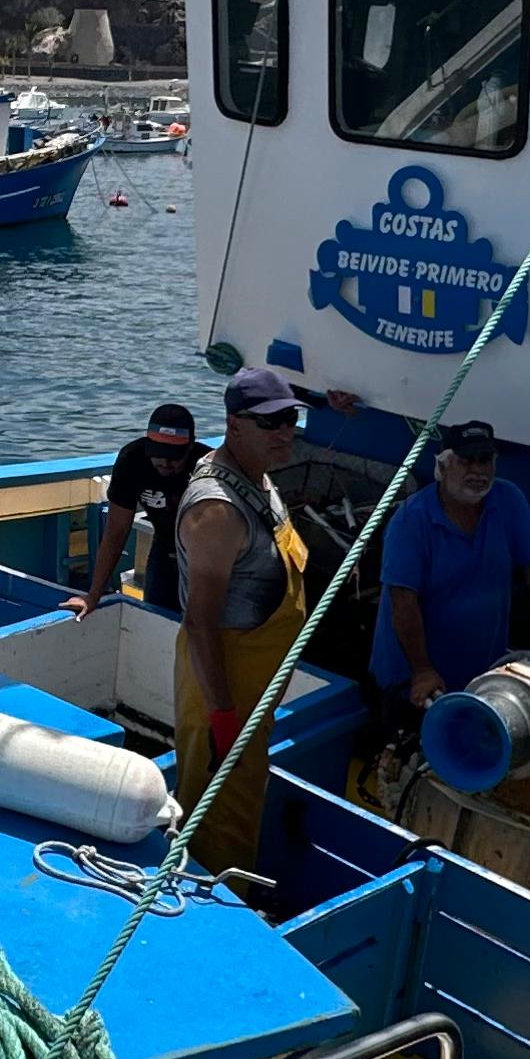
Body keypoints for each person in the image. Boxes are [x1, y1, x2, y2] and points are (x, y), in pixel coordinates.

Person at [169, 366, 314, 871]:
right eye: (270, 422)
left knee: (244, 803)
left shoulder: (258, 476)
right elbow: (200, 624)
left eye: (291, 418)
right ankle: (211, 920)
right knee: (218, 821)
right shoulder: (218, 511)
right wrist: (223, 718)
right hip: (224, 695)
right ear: (234, 426)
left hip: (257, 694)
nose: (285, 431)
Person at [369, 421, 530, 713]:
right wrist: (421, 670)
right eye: (466, 461)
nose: (477, 471)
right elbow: (403, 602)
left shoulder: (508, 499)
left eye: (484, 460)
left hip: (482, 675)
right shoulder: (411, 520)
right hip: (413, 679)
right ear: (444, 467)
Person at [68, 403, 205, 616]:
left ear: (190, 448)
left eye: (174, 456)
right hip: (164, 550)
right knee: (155, 619)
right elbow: (116, 531)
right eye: (158, 453)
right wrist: (93, 594)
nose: (165, 462)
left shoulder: (206, 468)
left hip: (206, 557)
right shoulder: (132, 460)